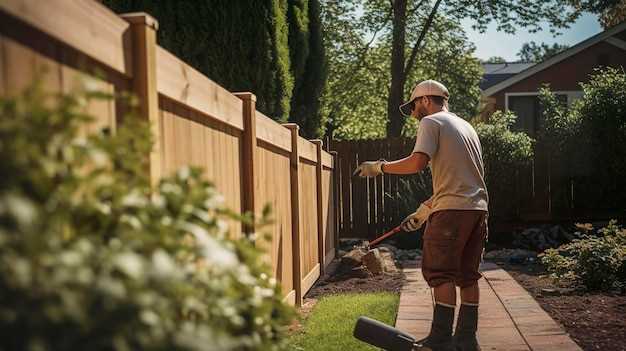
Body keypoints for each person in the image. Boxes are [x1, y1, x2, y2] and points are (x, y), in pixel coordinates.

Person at [353, 80, 488, 351]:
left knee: (440, 274)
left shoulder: (432, 122)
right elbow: (462, 178)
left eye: (414, 105)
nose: (414, 113)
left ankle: (439, 340)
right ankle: (466, 340)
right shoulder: (466, 127)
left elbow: (416, 163)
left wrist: (379, 167)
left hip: (451, 212)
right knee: (467, 276)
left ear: (426, 99)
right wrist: (425, 211)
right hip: (477, 210)